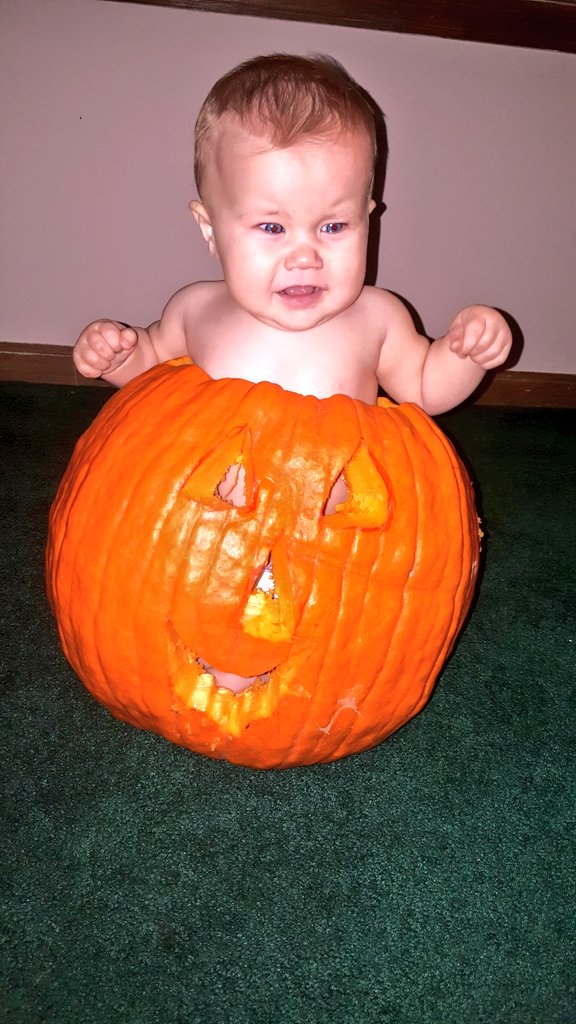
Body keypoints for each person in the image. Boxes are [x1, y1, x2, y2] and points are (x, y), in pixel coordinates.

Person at [73, 53, 512, 692]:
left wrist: (464, 352)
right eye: (272, 226)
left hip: (323, 549)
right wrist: (120, 354)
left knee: (313, 607)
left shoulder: (378, 318)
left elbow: (424, 388)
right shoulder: (196, 309)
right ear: (210, 229)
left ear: (369, 218)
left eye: (334, 225)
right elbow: (151, 377)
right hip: (207, 545)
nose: (304, 254)